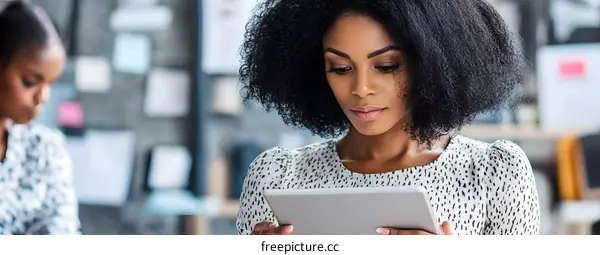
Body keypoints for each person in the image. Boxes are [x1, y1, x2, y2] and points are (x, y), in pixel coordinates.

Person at [236, 0, 540, 235]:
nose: (361, 89)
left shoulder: (494, 174)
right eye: (341, 68)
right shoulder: (276, 177)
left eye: (386, 66)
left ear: (429, 63)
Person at [0, 0, 81, 234]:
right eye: (30, 82)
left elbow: (64, 232)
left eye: (50, 83)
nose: (43, 97)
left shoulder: (46, 148)